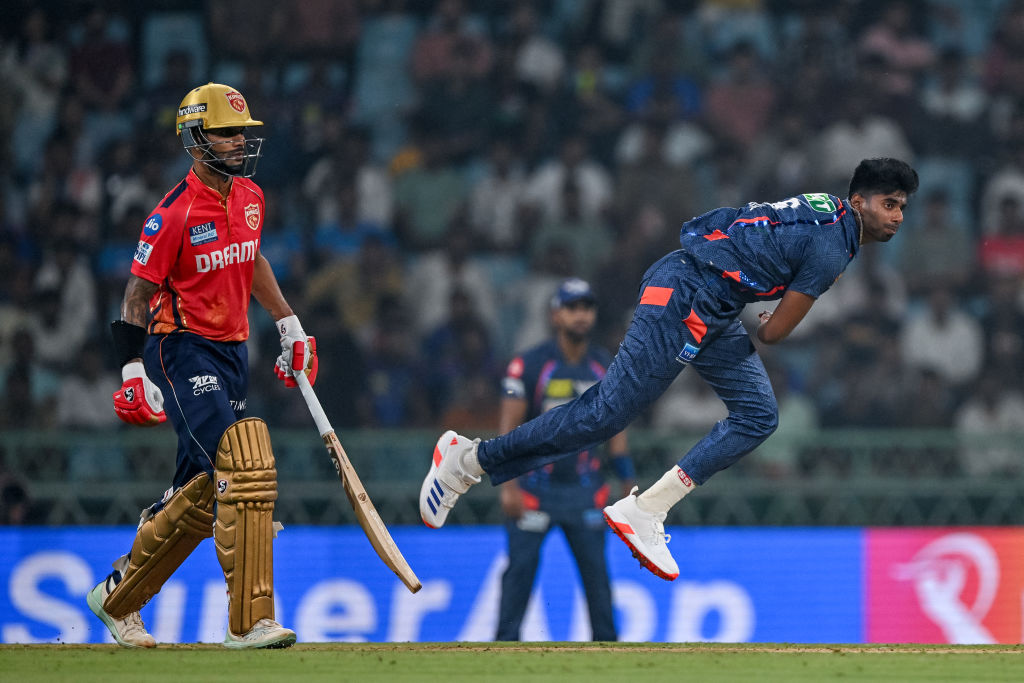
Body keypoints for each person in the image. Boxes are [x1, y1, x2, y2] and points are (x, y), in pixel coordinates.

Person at [420, 158, 918, 581]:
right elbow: (773, 334)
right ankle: (468, 460)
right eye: (889, 203)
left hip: (711, 298)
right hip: (686, 294)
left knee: (759, 414)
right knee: (607, 414)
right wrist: (776, 320)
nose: (897, 216)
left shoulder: (826, 210)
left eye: (901, 207)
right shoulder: (834, 247)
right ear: (859, 202)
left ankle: (647, 509)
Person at [87, 83, 317, 649]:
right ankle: (250, 622)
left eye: (243, 132)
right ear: (195, 139)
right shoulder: (172, 215)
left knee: (196, 489)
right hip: (182, 347)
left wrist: (287, 322)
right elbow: (136, 297)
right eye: (227, 132)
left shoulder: (251, 198)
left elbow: (251, 257)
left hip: (234, 348)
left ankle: (117, 594)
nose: (240, 142)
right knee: (242, 468)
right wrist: (132, 372)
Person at [495, 278, 633, 642]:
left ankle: (610, 656)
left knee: (598, 580)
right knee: (519, 574)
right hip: (533, 489)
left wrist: (626, 482)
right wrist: (508, 486)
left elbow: (616, 430)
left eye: (587, 308)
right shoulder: (529, 364)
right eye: (572, 308)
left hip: (585, 491)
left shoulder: (606, 365)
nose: (581, 316)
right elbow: (508, 432)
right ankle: (500, 652)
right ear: (556, 315)